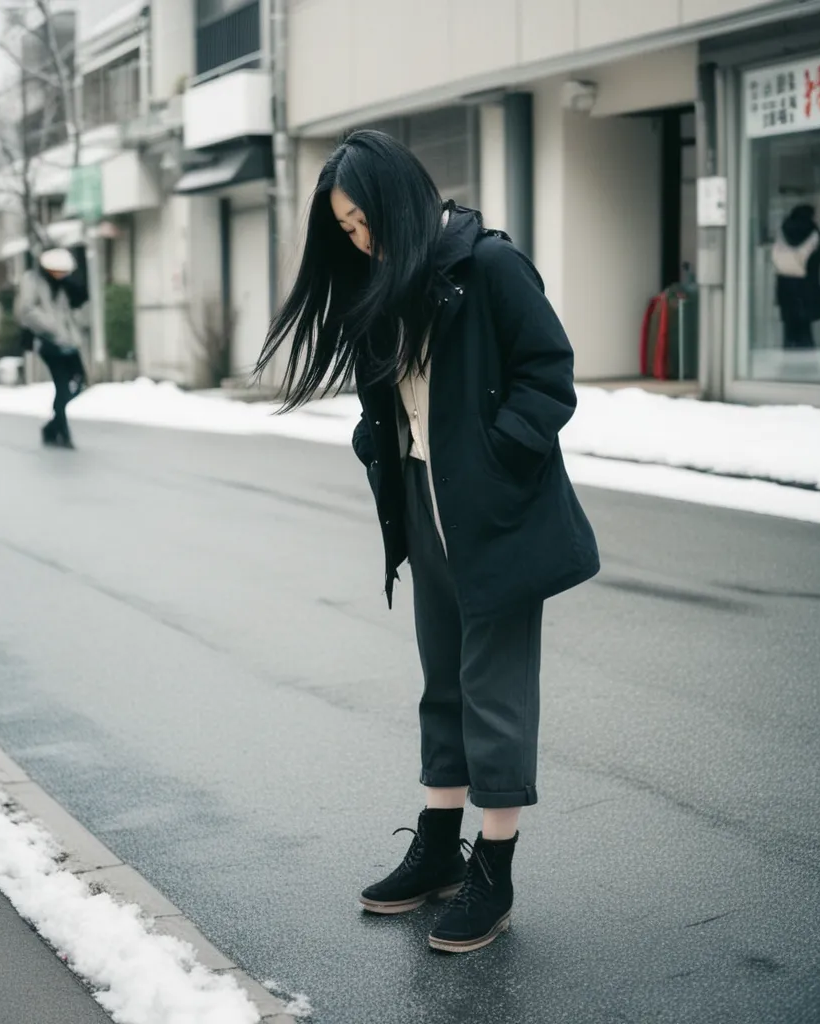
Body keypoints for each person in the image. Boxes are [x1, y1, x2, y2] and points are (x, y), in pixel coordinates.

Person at [256, 130, 599, 954]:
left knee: (495, 694)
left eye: (360, 221)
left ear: (399, 201)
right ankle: (440, 847)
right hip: (424, 505)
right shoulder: (390, 281)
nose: (357, 240)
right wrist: (383, 448)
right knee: (441, 684)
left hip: (496, 514)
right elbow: (394, 401)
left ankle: (496, 867)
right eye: (342, 230)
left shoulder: (490, 267)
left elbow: (549, 374)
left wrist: (495, 456)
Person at [16, 248, 88, 448]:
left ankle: (53, 425)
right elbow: (27, 310)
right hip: (47, 341)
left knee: (80, 380)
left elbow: (75, 307)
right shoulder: (32, 280)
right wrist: (51, 328)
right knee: (62, 385)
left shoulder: (65, 285)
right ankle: (62, 431)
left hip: (68, 340)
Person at [772, 204, 820, 350]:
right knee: (805, 332)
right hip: (806, 288)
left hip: (785, 285)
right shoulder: (814, 234)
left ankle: (786, 362)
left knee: (789, 329)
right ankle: (807, 365)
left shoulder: (782, 231)